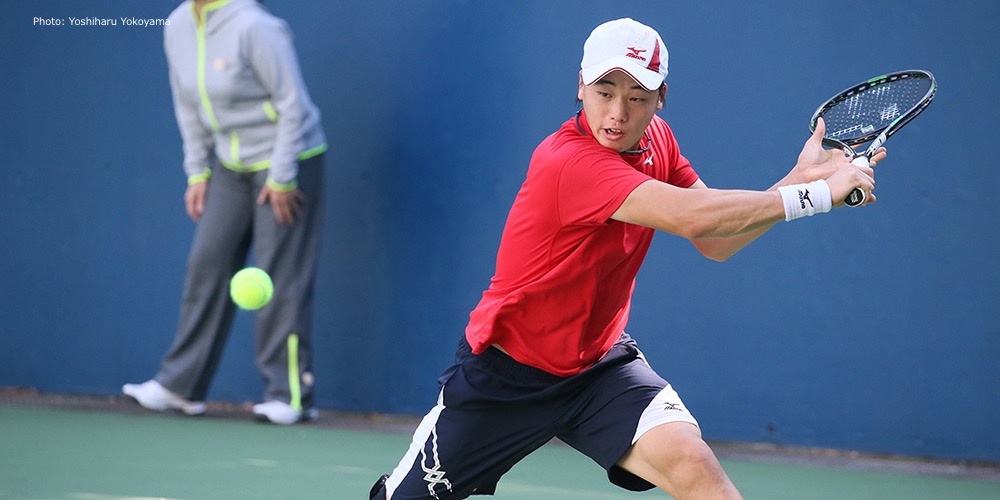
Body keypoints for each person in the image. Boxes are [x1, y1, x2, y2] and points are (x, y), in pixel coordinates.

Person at [370, 18, 883, 499]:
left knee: (694, 465)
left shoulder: (657, 140)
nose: (617, 113)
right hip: (507, 375)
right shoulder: (567, 161)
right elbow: (696, 219)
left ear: (661, 98)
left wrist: (798, 183)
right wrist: (818, 196)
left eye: (636, 97)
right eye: (604, 93)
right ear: (580, 87)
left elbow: (717, 241)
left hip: (599, 369)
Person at [123, 0, 327, 425]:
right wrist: (197, 171)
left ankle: (289, 395)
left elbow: (294, 105)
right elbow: (186, 104)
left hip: (287, 160)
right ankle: (180, 386)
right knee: (206, 263)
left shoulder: (256, 26)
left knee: (278, 276)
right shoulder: (178, 24)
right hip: (229, 166)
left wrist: (283, 175)